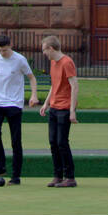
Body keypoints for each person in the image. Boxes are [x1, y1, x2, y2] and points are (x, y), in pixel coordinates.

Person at [0, 35, 38, 185]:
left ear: (11, 46)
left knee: (15, 141)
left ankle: (16, 177)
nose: (3, 53)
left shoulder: (20, 60)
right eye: (0, 50)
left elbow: (32, 78)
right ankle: (0, 167)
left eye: (5, 50)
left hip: (14, 104)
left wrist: (33, 95)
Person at [38, 35, 78, 188]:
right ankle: (57, 175)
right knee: (53, 142)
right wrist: (46, 103)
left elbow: (74, 85)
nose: (44, 53)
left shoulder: (67, 62)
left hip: (64, 108)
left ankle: (70, 177)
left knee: (62, 142)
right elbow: (54, 85)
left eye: (44, 50)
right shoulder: (53, 63)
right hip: (54, 108)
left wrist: (72, 110)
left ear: (51, 48)